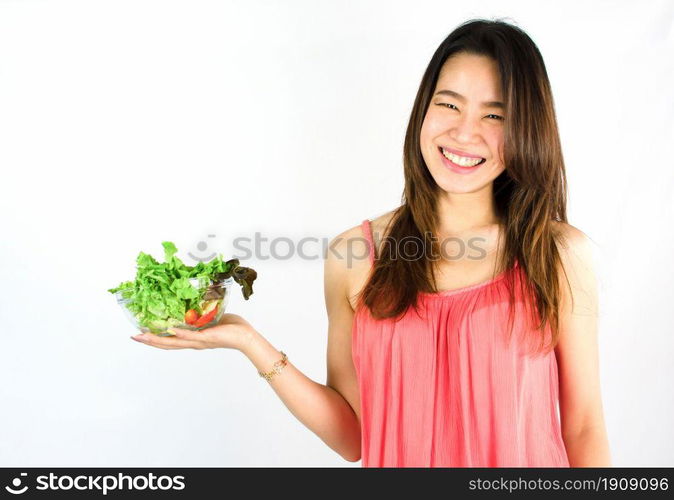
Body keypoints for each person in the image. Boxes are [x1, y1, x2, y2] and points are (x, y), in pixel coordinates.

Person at [130, 18, 611, 467]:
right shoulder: (354, 255)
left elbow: (584, 427)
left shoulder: (560, 254)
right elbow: (354, 437)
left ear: (526, 129)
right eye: (448, 104)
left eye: (495, 115)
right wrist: (247, 340)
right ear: (423, 109)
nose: (465, 132)